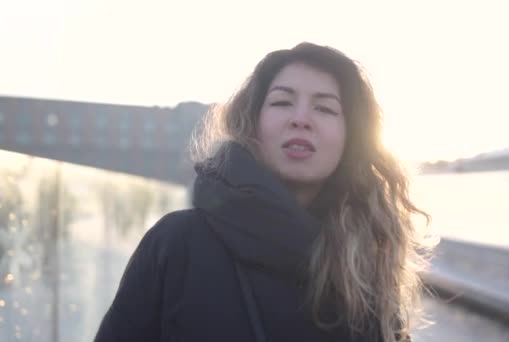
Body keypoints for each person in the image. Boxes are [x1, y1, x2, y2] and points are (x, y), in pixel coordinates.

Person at [94, 42, 431, 342]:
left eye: (325, 108)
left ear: (351, 138)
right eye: (282, 102)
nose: (301, 119)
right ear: (252, 124)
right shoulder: (175, 243)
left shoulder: (367, 265)